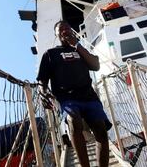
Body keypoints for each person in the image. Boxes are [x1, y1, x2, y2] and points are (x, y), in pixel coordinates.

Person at [37, 20, 111, 167]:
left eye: (67, 28)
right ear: (56, 34)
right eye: (61, 29)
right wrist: (42, 92)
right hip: (67, 98)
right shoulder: (50, 54)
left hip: (89, 96)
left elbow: (95, 65)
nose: (65, 31)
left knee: (101, 131)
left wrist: (77, 46)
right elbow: (41, 80)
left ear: (72, 31)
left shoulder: (80, 50)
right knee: (73, 119)